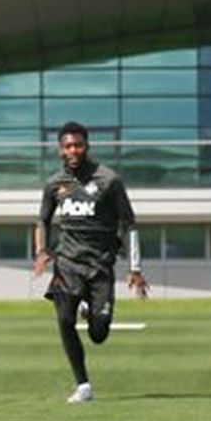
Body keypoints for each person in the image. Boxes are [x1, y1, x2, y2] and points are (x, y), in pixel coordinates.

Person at [33, 121, 149, 404]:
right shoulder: (55, 184)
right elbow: (42, 220)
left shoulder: (109, 180)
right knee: (63, 319)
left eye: (78, 145)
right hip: (67, 264)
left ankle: (90, 307)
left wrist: (135, 268)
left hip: (99, 267)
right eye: (68, 146)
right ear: (60, 150)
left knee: (99, 333)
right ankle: (83, 385)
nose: (73, 150)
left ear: (87, 147)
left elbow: (130, 224)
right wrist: (42, 251)